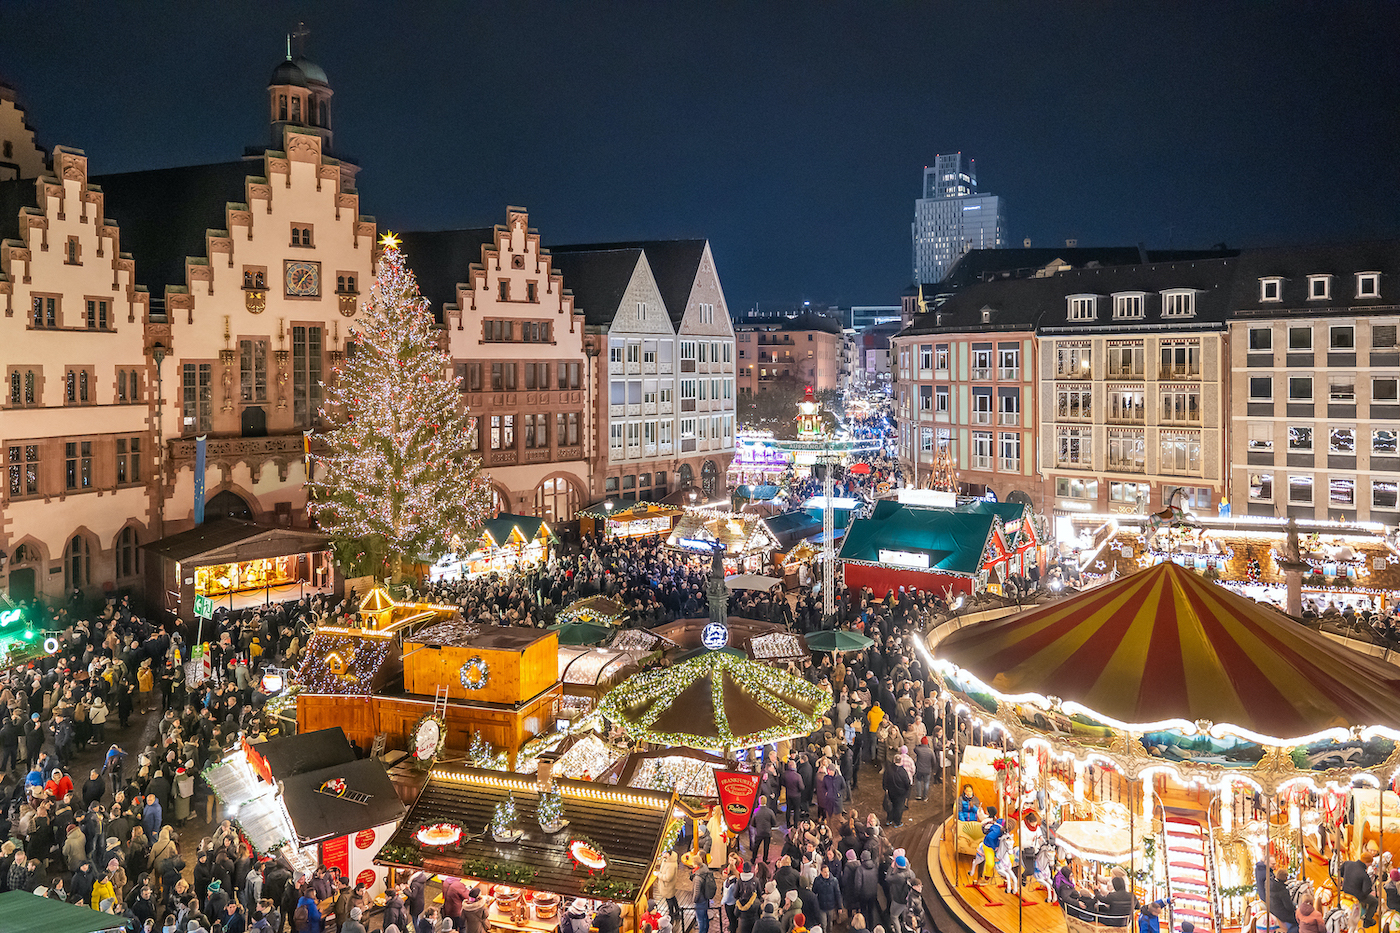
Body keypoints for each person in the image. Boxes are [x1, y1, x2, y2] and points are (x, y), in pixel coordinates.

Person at [1341, 847, 1379, 929]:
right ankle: (1368, 921)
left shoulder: (1347, 863)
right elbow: (1366, 891)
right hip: (1356, 896)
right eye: (1370, 863)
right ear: (1367, 863)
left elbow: (1341, 873)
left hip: (1345, 891)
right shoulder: (1364, 875)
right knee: (1374, 901)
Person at [693, 858, 717, 933]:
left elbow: (697, 891)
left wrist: (694, 900)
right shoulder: (705, 868)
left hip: (700, 900)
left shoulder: (697, 877)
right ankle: (706, 930)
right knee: (704, 916)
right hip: (705, 897)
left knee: (700, 919)